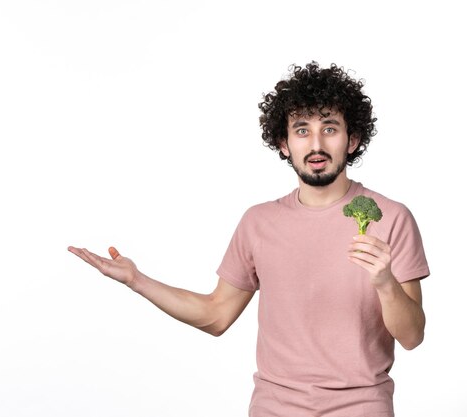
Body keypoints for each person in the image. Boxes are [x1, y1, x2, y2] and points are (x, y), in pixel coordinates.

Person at [67, 62, 429, 416]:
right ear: (284, 144)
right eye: (302, 130)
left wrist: (384, 283)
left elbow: (412, 336)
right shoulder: (259, 222)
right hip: (273, 408)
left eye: (330, 128)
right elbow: (216, 315)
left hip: (361, 408)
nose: (316, 144)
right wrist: (136, 280)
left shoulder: (392, 218)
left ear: (352, 139)